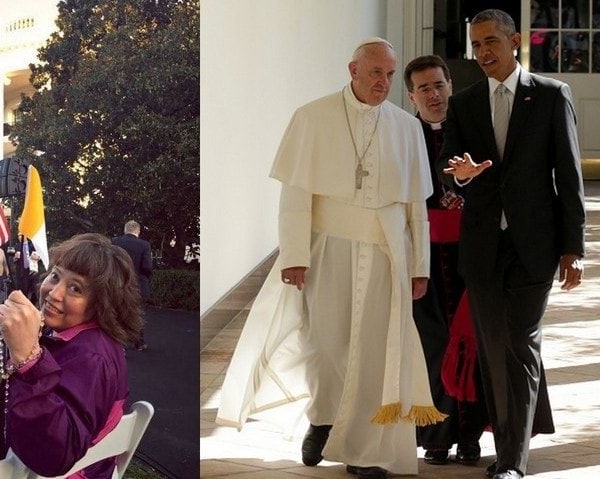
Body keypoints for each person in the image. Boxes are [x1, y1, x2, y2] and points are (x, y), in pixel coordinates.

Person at [216, 38, 441, 479]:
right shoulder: (312, 117)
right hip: (329, 247)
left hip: (387, 253)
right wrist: (294, 255)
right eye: (376, 72)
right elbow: (296, 194)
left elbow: (416, 208)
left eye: (391, 75)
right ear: (353, 69)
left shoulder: (406, 127)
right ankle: (322, 419)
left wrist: (420, 266)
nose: (384, 82)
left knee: (378, 351)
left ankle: (364, 450)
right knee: (327, 345)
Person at [437, 9, 585, 479]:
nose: (481, 52)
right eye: (475, 45)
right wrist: (461, 175)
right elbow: (451, 167)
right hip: (482, 249)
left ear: (514, 41)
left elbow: (570, 176)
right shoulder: (463, 104)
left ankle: (512, 461)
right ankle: (508, 447)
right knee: (492, 346)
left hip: (534, 247)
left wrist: (573, 248)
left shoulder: (550, 96)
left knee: (519, 343)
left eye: (490, 42)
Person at [0, 233, 144, 478]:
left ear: (102, 303)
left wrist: (29, 358)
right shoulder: (64, 332)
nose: (54, 293)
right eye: (55, 275)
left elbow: (55, 454)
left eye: (75, 288)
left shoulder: (92, 358)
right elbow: (13, 387)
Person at [404, 54, 489, 466]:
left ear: (450, 86)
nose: (433, 95)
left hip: (470, 253)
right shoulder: (403, 134)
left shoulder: (473, 126)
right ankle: (436, 437)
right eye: (424, 88)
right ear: (412, 95)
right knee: (433, 346)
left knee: (471, 343)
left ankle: (470, 438)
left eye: (439, 85)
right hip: (423, 257)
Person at [111, 220, 153, 350]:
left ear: (125, 229)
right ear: (138, 231)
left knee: (118, 313)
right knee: (137, 313)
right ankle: (139, 343)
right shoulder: (144, 245)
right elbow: (147, 267)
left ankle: (120, 345)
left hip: (118, 284)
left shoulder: (114, 242)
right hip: (138, 285)